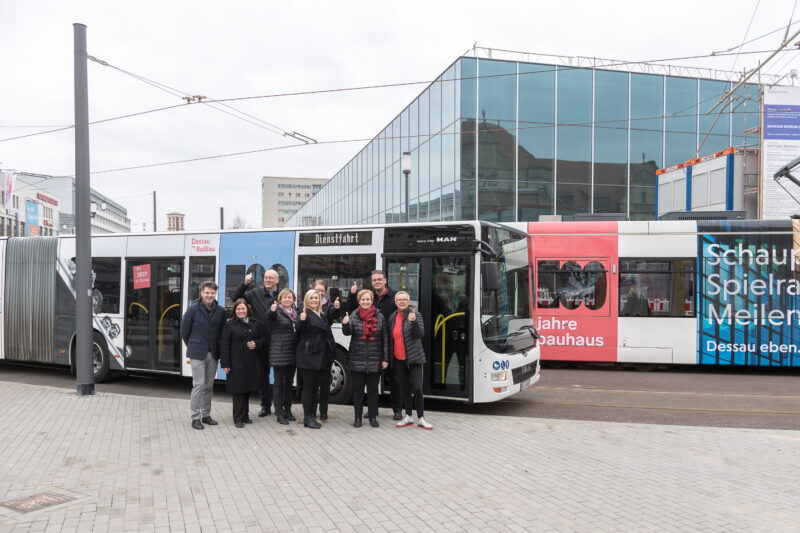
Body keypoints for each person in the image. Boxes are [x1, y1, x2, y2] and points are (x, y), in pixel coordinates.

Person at [348, 269, 402, 420]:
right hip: (372, 344)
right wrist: (352, 295)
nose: (376, 282)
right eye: (374, 280)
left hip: (390, 342)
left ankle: (397, 409)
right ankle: (373, 411)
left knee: (394, 378)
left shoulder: (393, 297)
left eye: (379, 279)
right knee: (372, 384)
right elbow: (354, 312)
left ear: (385, 280)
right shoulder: (369, 296)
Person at [232, 269, 281, 418]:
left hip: (280, 341)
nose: (267, 280)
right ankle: (265, 405)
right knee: (263, 376)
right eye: (266, 277)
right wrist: (244, 284)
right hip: (262, 341)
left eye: (271, 278)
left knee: (281, 377)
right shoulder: (255, 293)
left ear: (277, 280)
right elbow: (236, 298)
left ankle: (283, 407)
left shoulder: (283, 295)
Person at [180, 281, 226, 430]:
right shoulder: (193, 309)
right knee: (199, 384)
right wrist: (194, 345)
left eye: (212, 293)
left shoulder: (220, 311)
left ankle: (206, 415)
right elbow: (184, 331)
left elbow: (222, 333)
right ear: (202, 293)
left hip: (213, 353)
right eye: (207, 292)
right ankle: (195, 417)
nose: (209, 295)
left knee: (209, 385)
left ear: (215, 294)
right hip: (197, 353)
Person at [342, 289, 389, 428]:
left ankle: (372, 417)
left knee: (373, 391)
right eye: (362, 299)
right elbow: (347, 332)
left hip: (375, 359)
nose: (365, 302)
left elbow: (385, 339)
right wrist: (345, 323)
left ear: (372, 300)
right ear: (359, 301)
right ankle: (357, 418)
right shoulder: (354, 315)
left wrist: (385, 359)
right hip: (357, 359)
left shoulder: (380, 317)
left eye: (368, 299)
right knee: (358, 391)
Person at [389, 291, 433, 430]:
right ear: (395, 302)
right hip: (398, 359)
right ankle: (408, 416)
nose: (402, 301)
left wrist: (413, 322)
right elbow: (391, 338)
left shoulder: (415, 314)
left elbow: (420, 334)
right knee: (405, 389)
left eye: (404, 299)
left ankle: (421, 418)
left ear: (408, 301)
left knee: (417, 389)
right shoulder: (392, 317)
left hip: (414, 358)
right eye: (399, 299)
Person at [220, 299, 265, 428]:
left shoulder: (255, 323)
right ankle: (238, 418)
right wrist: (225, 363)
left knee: (247, 390)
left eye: (243, 309)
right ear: (235, 310)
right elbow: (224, 345)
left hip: (251, 362)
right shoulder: (229, 325)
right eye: (238, 309)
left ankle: (245, 416)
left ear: (247, 310)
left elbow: (263, 339)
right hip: (236, 362)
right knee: (238, 390)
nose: (241, 311)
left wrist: (256, 344)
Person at [296, 289, 335, 429]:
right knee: (308, 388)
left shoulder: (321, 314)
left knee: (315, 389)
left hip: (320, 356)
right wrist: (300, 321)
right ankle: (307, 417)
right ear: (307, 300)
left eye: (316, 298)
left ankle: (312, 415)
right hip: (308, 356)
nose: (313, 300)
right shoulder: (304, 313)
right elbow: (298, 329)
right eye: (311, 298)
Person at [311, 279, 342, 420]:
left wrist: (336, 308)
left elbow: (334, 315)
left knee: (324, 382)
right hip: (311, 350)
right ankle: (311, 410)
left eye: (322, 291)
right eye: (317, 290)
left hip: (325, 350)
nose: (319, 293)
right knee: (312, 383)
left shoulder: (328, 306)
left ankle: (323, 411)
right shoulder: (305, 306)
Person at [267, 288, 298, 424]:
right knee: (279, 384)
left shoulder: (296, 312)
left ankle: (288, 410)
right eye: (284, 297)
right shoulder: (276, 311)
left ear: (293, 300)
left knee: (289, 383)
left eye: (289, 297)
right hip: (279, 351)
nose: (287, 300)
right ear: (280, 299)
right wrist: (272, 310)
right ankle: (279, 413)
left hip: (292, 351)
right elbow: (270, 318)